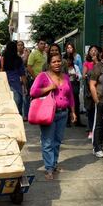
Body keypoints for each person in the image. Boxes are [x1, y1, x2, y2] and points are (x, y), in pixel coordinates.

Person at [30, 46, 76, 180]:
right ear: (49, 64)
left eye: (59, 61)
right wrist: (49, 87)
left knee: (57, 141)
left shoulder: (66, 77)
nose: (57, 64)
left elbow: (71, 96)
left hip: (63, 113)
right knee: (48, 141)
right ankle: (49, 168)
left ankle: (54, 164)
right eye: (54, 62)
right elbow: (33, 92)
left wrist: (73, 112)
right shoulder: (43, 76)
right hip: (48, 113)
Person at [1, 41, 26, 116]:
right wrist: (25, 87)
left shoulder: (3, 58)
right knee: (17, 103)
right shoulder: (18, 59)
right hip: (16, 84)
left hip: (5, 83)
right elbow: (22, 74)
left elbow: (1, 70)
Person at [83, 45, 101, 139]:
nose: (93, 52)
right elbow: (83, 75)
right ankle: (90, 130)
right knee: (90, 112)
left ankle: (98, 130)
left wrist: (96, 62)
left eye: (95, 50)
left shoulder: (100, 63)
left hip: (99, 91)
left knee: (98, 112)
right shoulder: (87, 63)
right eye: (91, 50)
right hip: (89, 91)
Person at [67, 54, 82, 127]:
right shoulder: (63, 68)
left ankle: (77, 121)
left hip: (74, 87)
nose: (69, 61)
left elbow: (80, 76)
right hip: (67, 88)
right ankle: (67, 121)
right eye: (67, 60)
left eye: (70, 60)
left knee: (76, 104)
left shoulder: (75, 67)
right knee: (67, 105)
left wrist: (76, 76)